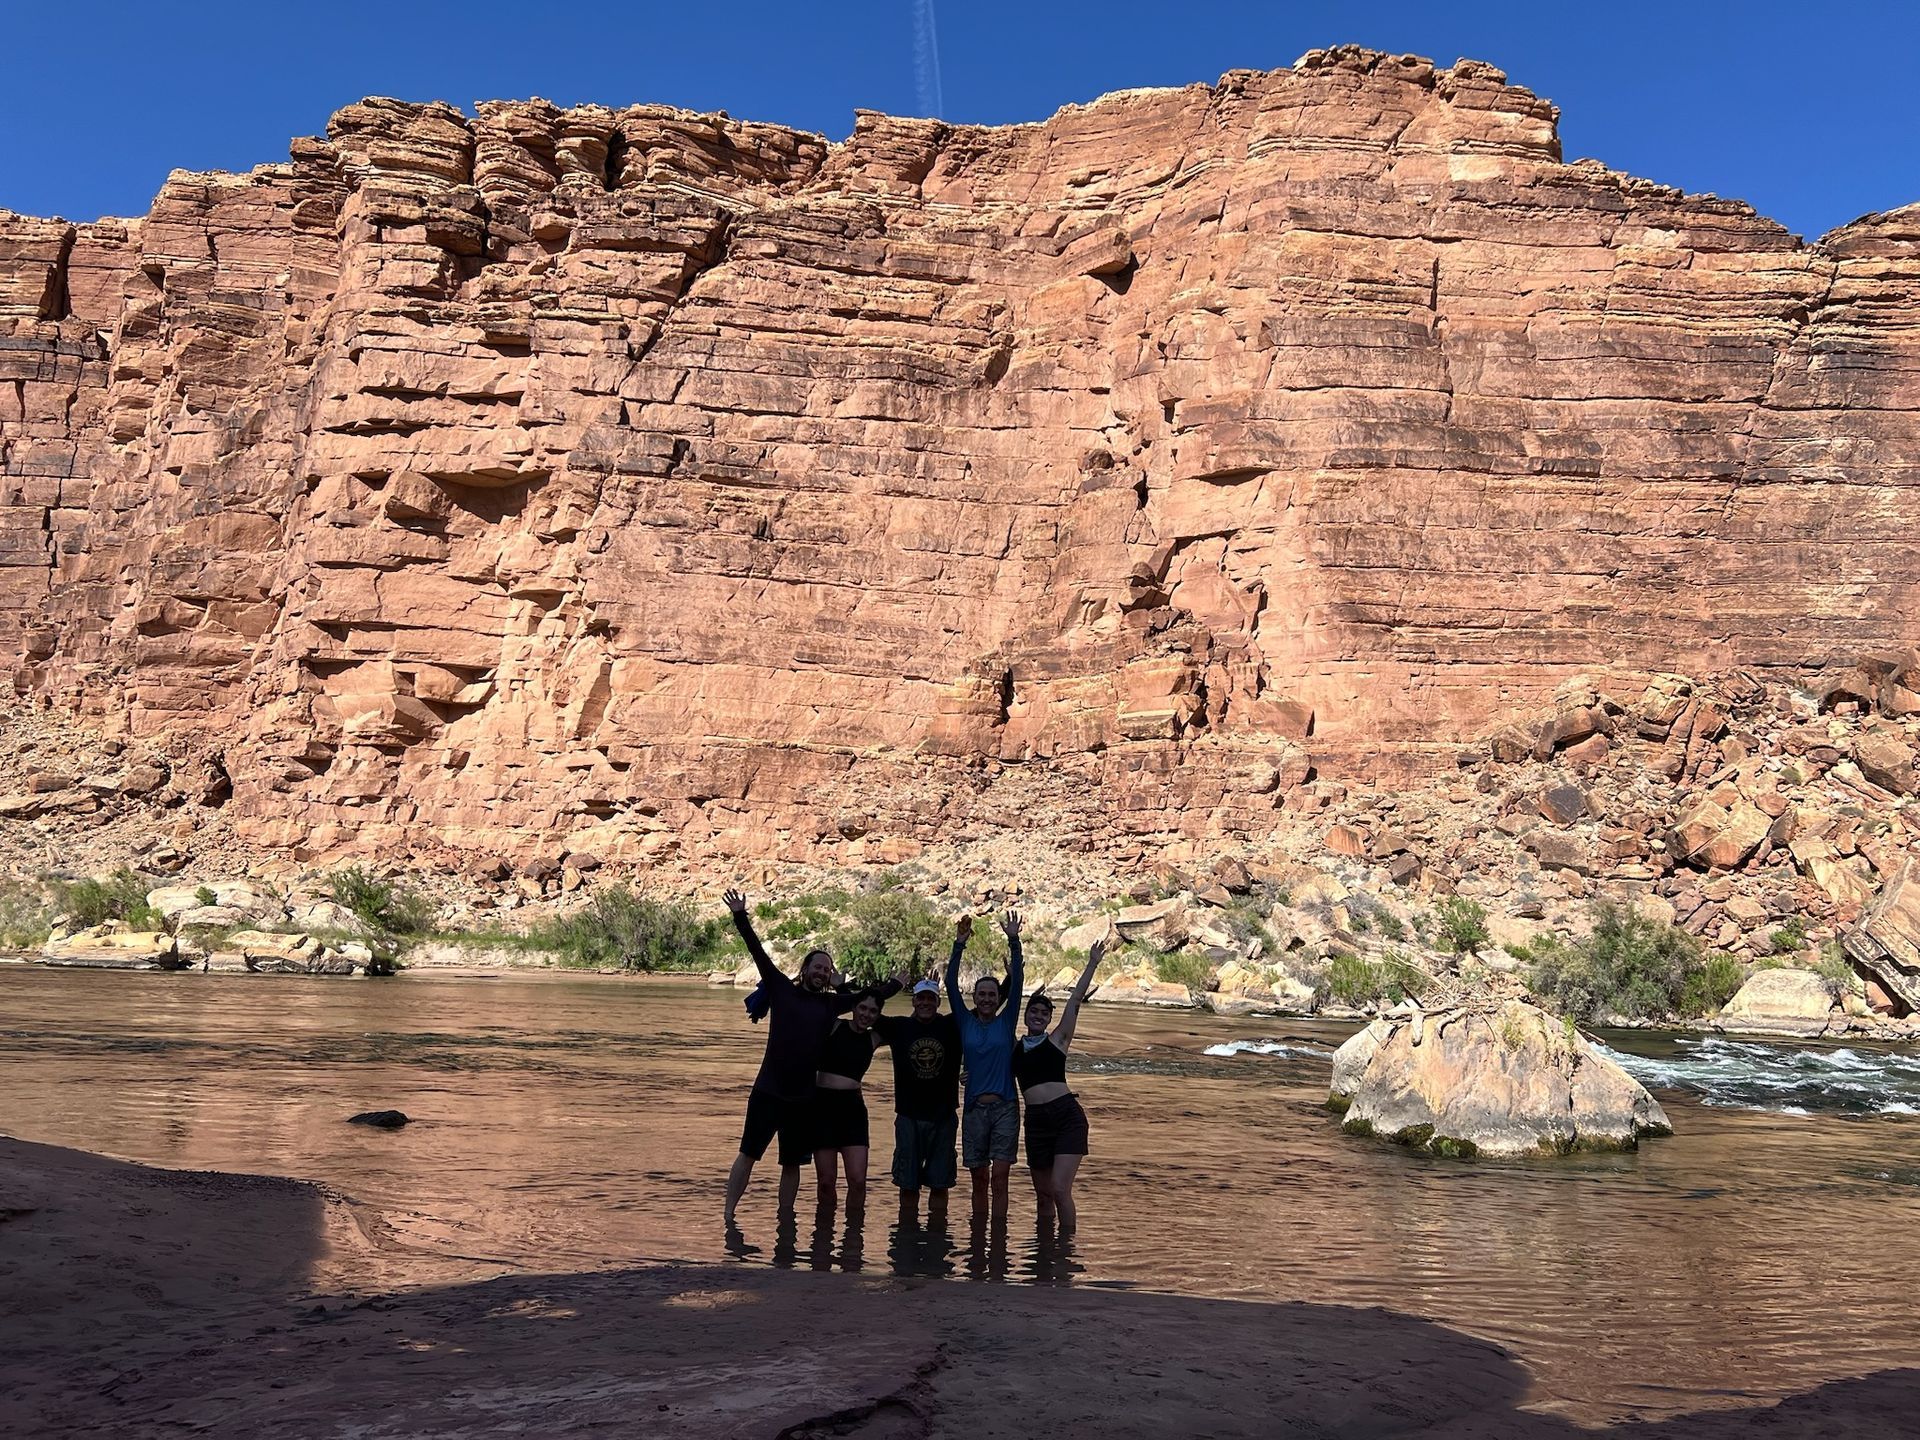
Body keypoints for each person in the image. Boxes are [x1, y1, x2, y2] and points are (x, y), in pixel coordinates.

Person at [721, 889, 899, 1225]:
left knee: (791, 1164)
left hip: (803, 1100)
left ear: (829, 977)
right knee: (748, 1154)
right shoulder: (780, 988)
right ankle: (728, 1216)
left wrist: (896, 984)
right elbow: (757, 952)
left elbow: (868, 1000)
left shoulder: (831, 1004)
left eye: (826, 969)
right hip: (767, 1092)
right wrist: (740, 916)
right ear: (805, 969)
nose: (821, 972)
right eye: (817, 966)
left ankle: (785, 1221)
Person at [1014, 936, 1105, 1234]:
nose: (1038, 1016)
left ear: (1050, 1019)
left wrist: (1092, 963)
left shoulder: (1058, 1040)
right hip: (1036, 1122)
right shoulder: (1014, 1048)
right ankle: (1043, 1252)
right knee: (1043, 1195)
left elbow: (1076, 1001)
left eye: (1044, 1013)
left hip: (1066, 1117)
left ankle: (1065, 1252)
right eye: (1034, 1012)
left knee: (1059, 1189)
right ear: (1026, 1016)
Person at [946, 909, 1024, 1221]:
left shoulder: (1006, 1022)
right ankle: (980, 1239)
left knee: (1000, 1178)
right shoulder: (964, 1021)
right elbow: (950, 982)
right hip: (975, 1109)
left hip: (1005, 1107)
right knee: (978, 1179)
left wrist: (1014, 941)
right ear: (975, 997)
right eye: (982, 994)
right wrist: (959, 944)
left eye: (992, 994)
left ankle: (1000, 1236)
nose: (988, 998)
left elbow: (1017, 984)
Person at [873, 976, 962, 1222]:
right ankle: (907, 1237)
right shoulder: (898, 1026)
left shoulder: (952, 1025)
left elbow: (990, 1004)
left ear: (938, 1001)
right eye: (920, 998)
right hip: (908, 1116)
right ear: (913, 1001)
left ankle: (936, 1238)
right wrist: (891, 986)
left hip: (943, 1116)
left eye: (930, 999)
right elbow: (866, 1008)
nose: (925, 1003)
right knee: (908, 1184)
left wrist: (1012, 972)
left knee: (940, 1183)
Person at [812, 991, 888, 1224]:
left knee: (857, 1181)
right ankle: (823, 1234)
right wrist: (844, 989)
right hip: (822, 1107)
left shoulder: (873, 1038)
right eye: (862, 1008)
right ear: (853, 1008)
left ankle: (853, 1235)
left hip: (852, 1110)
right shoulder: (834, 1026)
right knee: (826, 1182)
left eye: (873, 1011)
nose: (866, 1014)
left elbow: (906, 1028)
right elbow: (827, 1006)